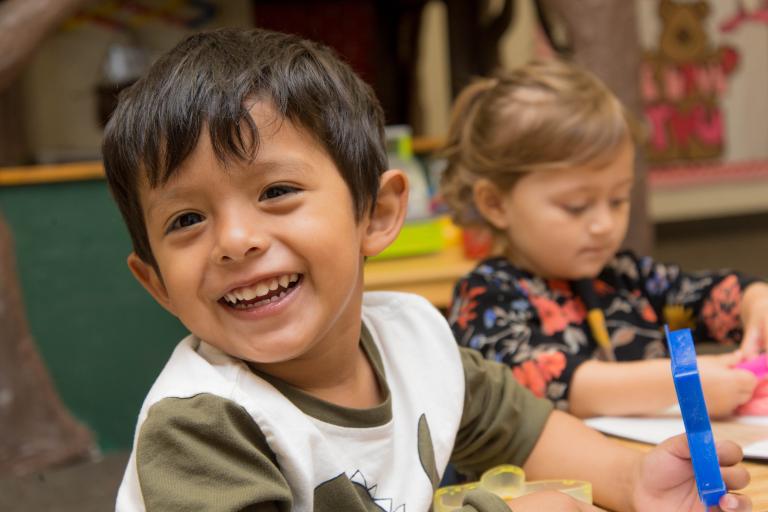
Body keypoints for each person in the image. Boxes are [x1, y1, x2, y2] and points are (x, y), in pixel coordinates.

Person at [103, 28, 751, 511]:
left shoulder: (414, 339)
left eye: (275, 192)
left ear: (377, 214)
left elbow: (525, 430)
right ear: (157, 282)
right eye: (186, 220)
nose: (235, 241)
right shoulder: (200, 426)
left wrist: (639, 482)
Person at [440, 58, 768, 419]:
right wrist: (683, 381)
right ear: (495, 203)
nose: (604, 224)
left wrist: (755, 302)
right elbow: (553, 381)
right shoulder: (484, 298)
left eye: (618, 200)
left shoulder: (625, 277)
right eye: (576, 206)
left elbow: (704, 295)